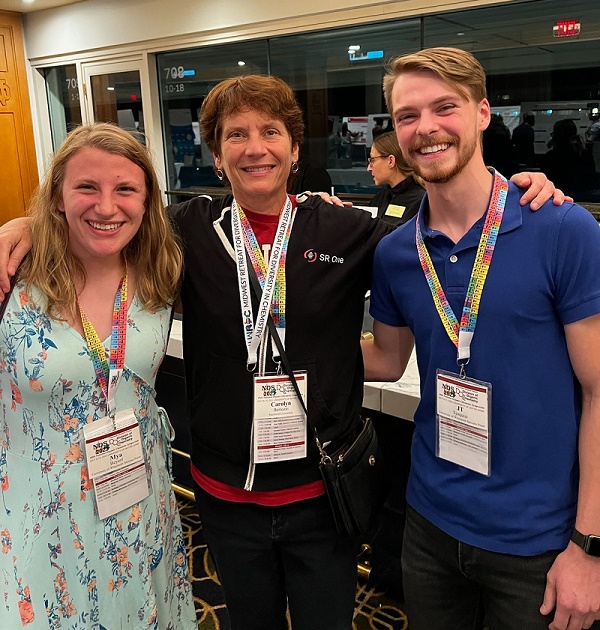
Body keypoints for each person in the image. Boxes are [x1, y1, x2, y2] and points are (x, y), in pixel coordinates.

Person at [0, 76, 568, 630]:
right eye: (235, 135)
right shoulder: (184, 232)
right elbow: (108, 222)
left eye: (270, 132)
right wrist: (30, 223)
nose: (254, 148)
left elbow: (446, 230)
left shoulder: (349, 230)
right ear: (217, 155)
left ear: (295, 149)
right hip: (225, 498)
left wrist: (514, 193)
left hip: (324, 495)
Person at [363, 46, 600, 630]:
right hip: (429, 524)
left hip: (539, 542)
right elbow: (388, 360)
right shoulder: (397, 252)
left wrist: (590, 547)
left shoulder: (562, 229)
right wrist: (276, 349)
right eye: (407, 116)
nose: (426, 129)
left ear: (483, 113)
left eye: (445, 107)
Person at [0, 123, 196, 629]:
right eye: (87, 187)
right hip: (39, 511)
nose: (107, 207)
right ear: (58, 196)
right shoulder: (13, 276)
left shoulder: (161, 271)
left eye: (125, 188)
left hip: (137, 497)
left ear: (147, 199)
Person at [367, 131, 425, 226]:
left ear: (391, 161)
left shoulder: (420, 202)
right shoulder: (380, 198)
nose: (369, 168)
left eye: (372, 160)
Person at [539, 118, 597, 198]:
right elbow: (591, 182)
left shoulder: (551, 157)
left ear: (557, 136)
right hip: (583, 198)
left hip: (556, 199)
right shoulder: (584, 155)